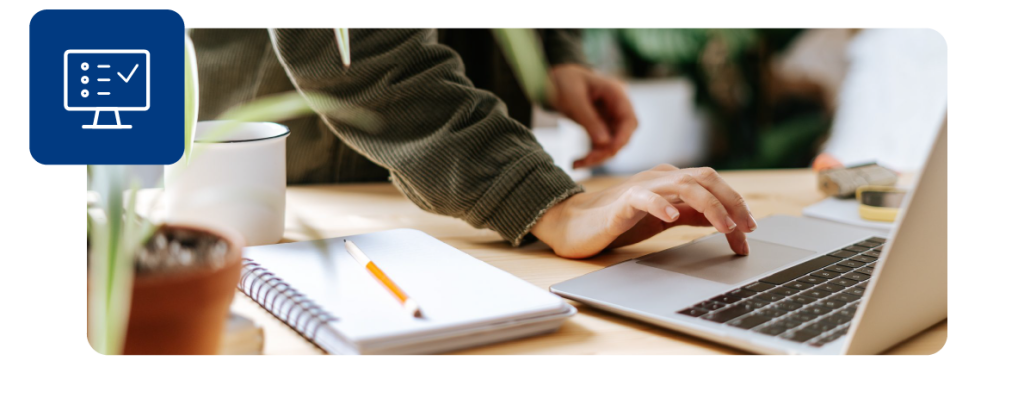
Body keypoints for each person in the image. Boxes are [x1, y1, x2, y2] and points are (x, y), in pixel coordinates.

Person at [191, 27, 755, 259]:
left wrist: (553, 55)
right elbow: (357, 48)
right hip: (310, 174)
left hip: (452, 178)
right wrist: (543, 201)